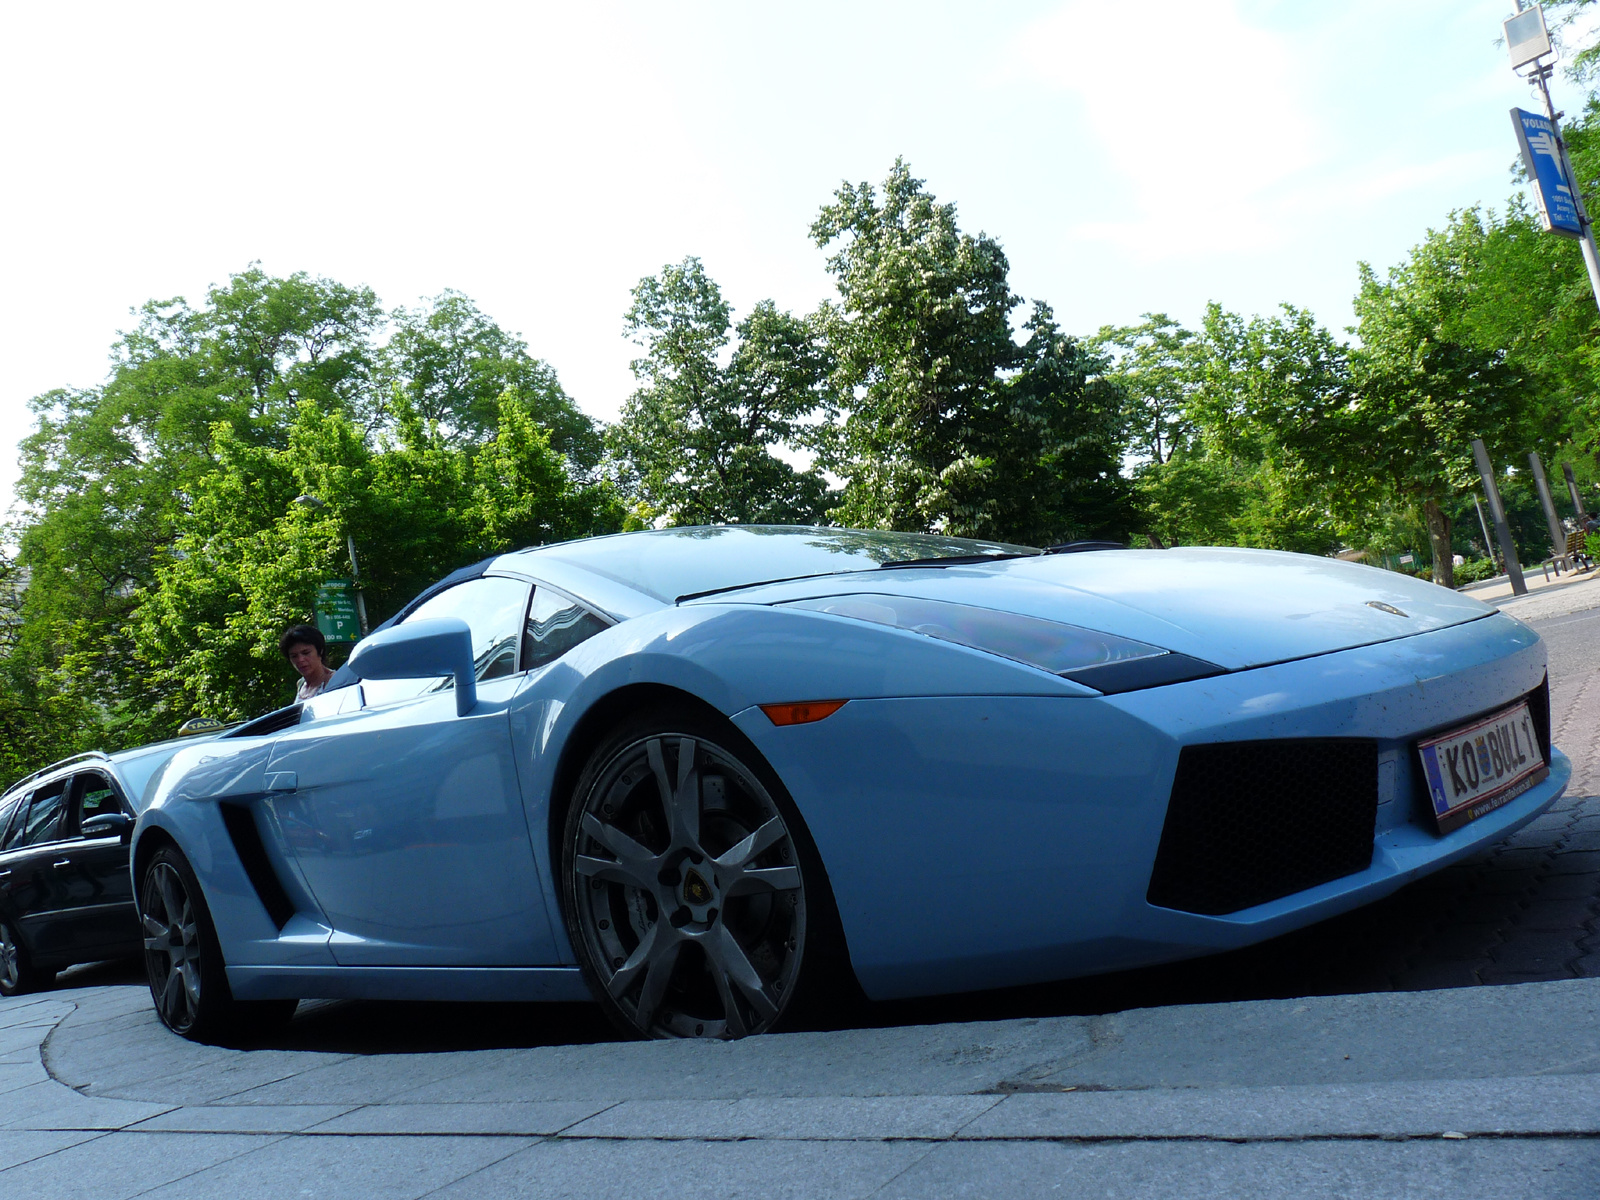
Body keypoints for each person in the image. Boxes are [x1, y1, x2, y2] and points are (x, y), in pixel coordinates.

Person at [280, 624, 335, 701]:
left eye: (306, 653)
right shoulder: (301, 684)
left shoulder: (335, 680)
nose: (300, 659)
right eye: (294, 656)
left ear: (320, 651)